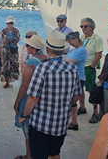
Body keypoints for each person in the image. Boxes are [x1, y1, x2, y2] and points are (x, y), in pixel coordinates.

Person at [19, 31, 82, 159]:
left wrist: (24, 115)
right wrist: (64, 105)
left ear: (47, 49)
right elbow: (77, 96)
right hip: (61, 123)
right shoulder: (72, 68)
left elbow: (33, 98)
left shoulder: (43, 68)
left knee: (39, 155)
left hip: (41, 124)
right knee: (55, 153)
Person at [13, 34, 47, 159]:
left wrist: (17, 102)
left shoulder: (31, 63)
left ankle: (29, 156)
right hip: (42, 99)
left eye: (27, 45)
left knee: (27, 128)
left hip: (29, 98)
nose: (25, 47)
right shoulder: (46, 59)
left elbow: (24, 86)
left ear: (33, 49)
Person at [80, 17, 103, 124]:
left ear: (92, 27)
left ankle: (95, 112)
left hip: (89, 66)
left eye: (85, 26)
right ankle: (82, 107)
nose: (83, 28)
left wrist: (92, 67)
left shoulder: (97, 39)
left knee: (91, 90)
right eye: (82, 26)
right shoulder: (82, 38)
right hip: (81, 67)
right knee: (79, 88)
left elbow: (98, 55)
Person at [64, 32, 88, 129]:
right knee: (72, 102)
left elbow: (71, 61)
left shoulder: (81, 49)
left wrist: (63, 62)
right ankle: (74, 123)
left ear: (76, 39)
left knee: (70, 101)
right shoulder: (72, 50)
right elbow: (65, 59)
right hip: (71, 78)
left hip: (78, 78)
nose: (70, 43)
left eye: (71, 41)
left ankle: (67, 122)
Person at [0, 16, 21, 88]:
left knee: (14, 65)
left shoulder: (16, 31)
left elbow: (18, 39)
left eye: (11, 23)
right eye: (8, 23)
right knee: (6, 65)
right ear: (6, 23)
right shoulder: (3, 31)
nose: (10, 24)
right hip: (5, 51)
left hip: (13, 51)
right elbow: (1, 40)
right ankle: (7, 82)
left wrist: (13, 44)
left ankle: (15, 81)